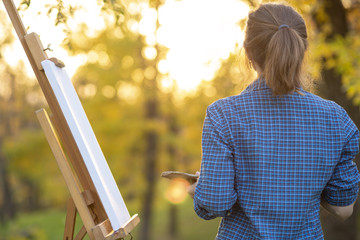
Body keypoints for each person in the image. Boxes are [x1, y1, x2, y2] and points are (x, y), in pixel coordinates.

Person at [187, 3, 360, 239]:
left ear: (247, 53)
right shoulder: (336, 118)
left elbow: (216, 202)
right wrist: (303, 182)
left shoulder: (223, 115)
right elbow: (343, 209)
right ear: (303, 49)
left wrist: (200, 188)